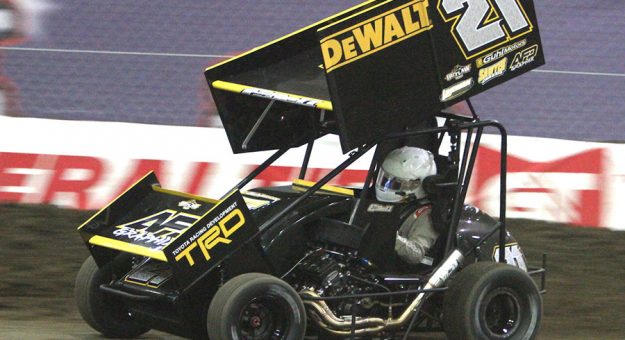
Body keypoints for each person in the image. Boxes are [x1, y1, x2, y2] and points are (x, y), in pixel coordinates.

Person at [375, 146, 438, 265]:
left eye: (396, 183)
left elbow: (416, 254)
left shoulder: (426, 215)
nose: (387, 186)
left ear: (415, 185)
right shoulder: (395, 204)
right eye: (385, 179)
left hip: (396, 269)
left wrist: (389, 236)